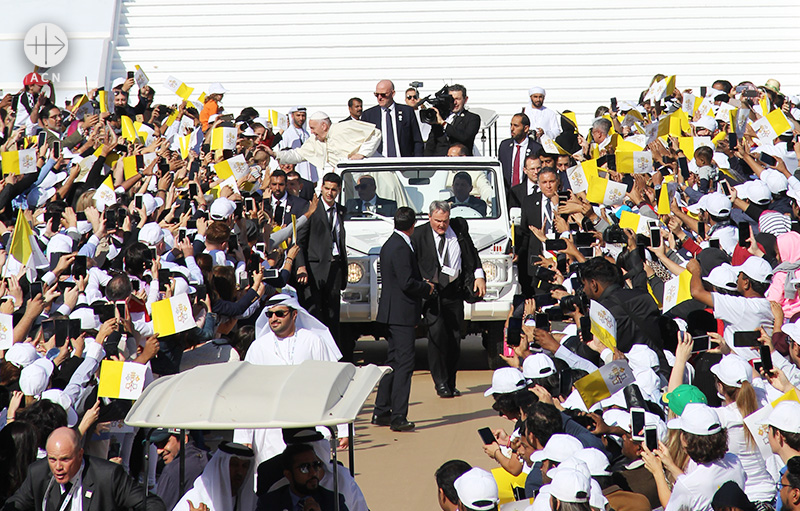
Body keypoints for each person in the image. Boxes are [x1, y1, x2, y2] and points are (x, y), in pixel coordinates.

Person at [411, 201, 486, 397]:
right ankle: (440, 383)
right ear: (429, 218)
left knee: (454, 339)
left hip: (454, 293)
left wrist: (479, 275)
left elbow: (472, 254)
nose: (441, 225)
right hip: (433, 295)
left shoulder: (459, 229)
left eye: (445, 221)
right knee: (437, 338)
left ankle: (451, 382)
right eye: (437, 221)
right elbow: (412, 264)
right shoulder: (419, 235)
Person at [373, 207, 434, 431]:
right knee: (405, 364)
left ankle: (381, 411)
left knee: (393, 362)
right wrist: (426, 288)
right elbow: (406, 282)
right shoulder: (399, 247)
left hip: (394, 312)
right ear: (412, 226)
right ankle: (398, 416)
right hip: (401, 314)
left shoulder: (392, 243)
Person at [3, 427, 165, 511]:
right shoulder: (38, 473)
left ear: (80, 455)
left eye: (65, 459)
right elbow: (15, 505)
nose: (58, 467)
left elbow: (153, 504)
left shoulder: (107, 476)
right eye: (52, 459)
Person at [642, 403, 746, 511]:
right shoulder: (734, 461)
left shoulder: (688, 486)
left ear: (687, 440)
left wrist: (657, 472)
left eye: (681, 432)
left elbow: (670, 507)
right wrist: (670, 465)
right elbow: (694, 486)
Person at [296, 173, 349, 359]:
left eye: (334, 189)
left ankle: (334, 357)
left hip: (335, 268)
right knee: (314, 315)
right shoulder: (311, 209)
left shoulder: (341, 211)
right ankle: (314, 357)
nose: (330, 193)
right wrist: (301, 266)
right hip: (313, 269)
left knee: (333, 316)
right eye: (326, 189)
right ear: (321, 189)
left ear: (339, 190)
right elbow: (299, 241)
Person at [268, 112, 381, 173]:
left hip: (372, 173)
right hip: (349, 178)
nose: (311, 132)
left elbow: (375, 133)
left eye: (313, 128)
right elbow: (297, 155)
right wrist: (274, 154)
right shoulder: (315, 141)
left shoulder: (345, 127)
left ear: (324, 126)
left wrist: (362, 154)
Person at [256, 444, 348, 511]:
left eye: (316, 465)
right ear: (288, 474)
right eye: (304, 468)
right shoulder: (269, 503)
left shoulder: (334, 501)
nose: (313, 472)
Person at [172, 442, 256, 511]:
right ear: (221, 466)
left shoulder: (252, 501)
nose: (240, 472)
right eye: (234, 464)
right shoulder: (196, 499)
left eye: (244, 466)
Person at [518, 167, 561, 295]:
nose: (548, 186)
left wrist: (557, 207)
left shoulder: (567, 200)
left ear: (557, 182)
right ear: (539, 184)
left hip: (559, 259)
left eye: (551, 182)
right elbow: (524, 232)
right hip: (539, 260)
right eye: (544, 182)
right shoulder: (529, 201)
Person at [360, 80, 423, 157]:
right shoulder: (369, 115)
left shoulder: (407, 112)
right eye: (377, 95)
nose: (379, 98)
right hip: (378, 164)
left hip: (403, 163)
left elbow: (417, 141)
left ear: (392, 93)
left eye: (383, 95)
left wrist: (416, 164)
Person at [153, 429, 209, 511]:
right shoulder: (208, 459)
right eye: (157, 445)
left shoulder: (172, 472)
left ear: (184, 439)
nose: (158, 451)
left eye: (164, 443)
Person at [425, 84, 481, 156]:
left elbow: (465, 137)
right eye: (451, 99)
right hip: (439, 161)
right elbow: (431, 144)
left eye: (458, 99)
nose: (454, 102)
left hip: (459, 161)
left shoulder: (472, 118)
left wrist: (443, 124)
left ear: (465, 99)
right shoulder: (441, 116)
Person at [498, 113, 543, 196]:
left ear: (526, 128)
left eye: (516, 126)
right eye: (511, 125)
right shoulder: (504, 146)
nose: (512, 129)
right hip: (507, 195)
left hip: (527, 195)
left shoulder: (536, 148)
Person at [278, 106, 317, 184]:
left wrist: (314, 176)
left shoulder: (306, 134)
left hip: (306, 174)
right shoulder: (287, 134)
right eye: (298, 115)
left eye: (303, 115)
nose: (301, 118)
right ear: (292, 116)